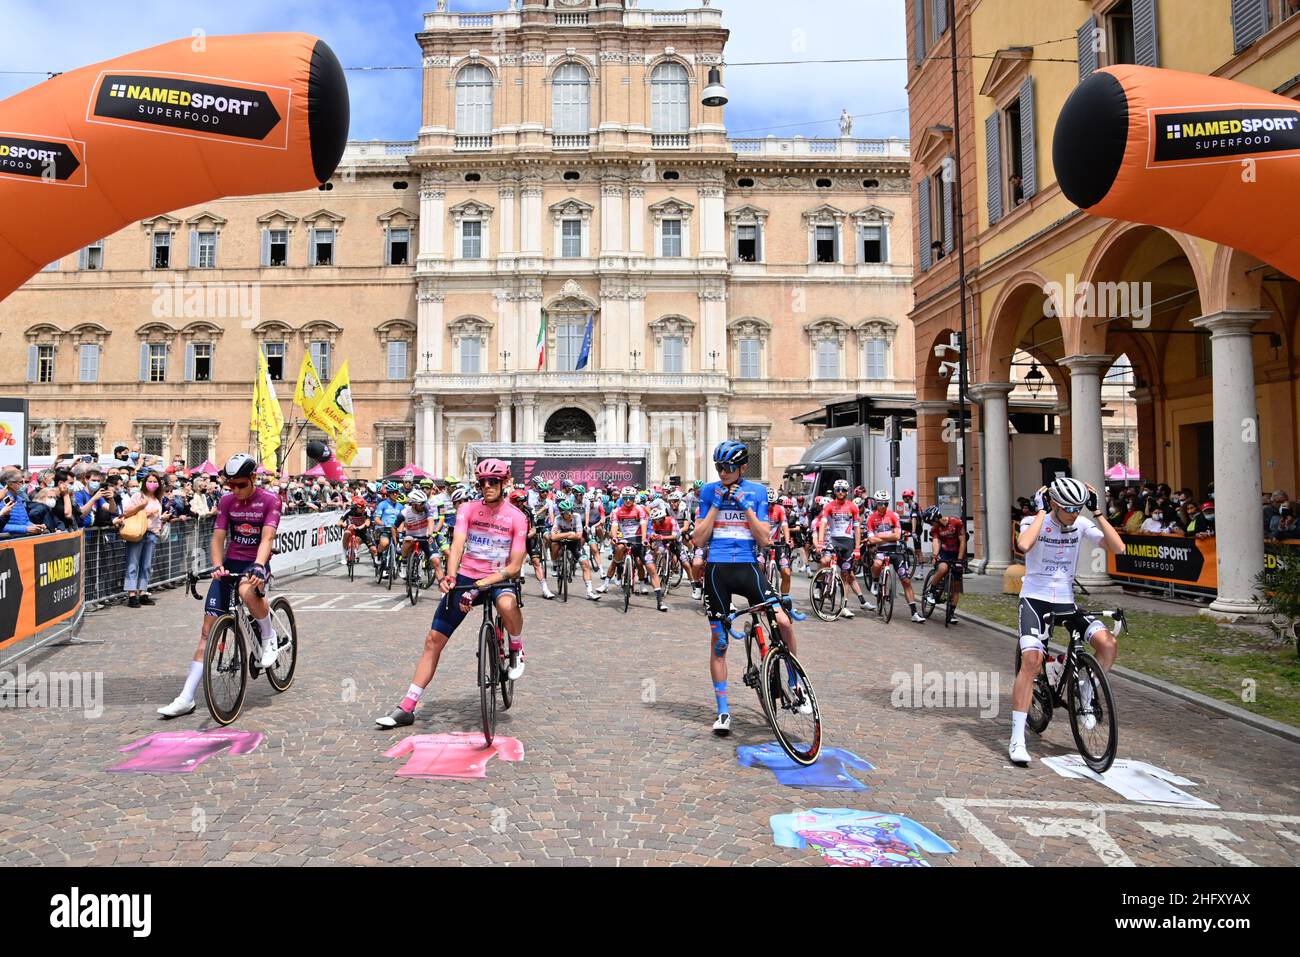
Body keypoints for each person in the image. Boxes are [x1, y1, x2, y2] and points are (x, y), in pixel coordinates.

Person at [375, 459, 527, 729]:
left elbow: (515, 566)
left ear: (504, 483)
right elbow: (457, 545)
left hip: (498, 576)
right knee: (433, 640)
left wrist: (488, 581)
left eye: (493, 482)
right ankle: (407, 707)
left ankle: (515, 645)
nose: (487, 486)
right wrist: (450, 575)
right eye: (482, 482)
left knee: (506, 603)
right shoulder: (468, 509)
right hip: (468, 575)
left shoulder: (517, 517)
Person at [693, 441, 808, 737]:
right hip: (718, 570)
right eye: (719, 467)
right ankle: (722, 711)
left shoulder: (756, 492)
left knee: (783, 621)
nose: (723, 472)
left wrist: (746, 508)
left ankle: (796, 683)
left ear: (743, 467)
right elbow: (698, 539)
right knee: (719, 644)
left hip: (747, 567)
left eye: (728, 467)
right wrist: (717, 504)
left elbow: (764, 539)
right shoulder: (708, 491)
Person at [1009, 476, 1125, 767]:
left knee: (1108, 644)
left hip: (1066, 601)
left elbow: (1118, 548)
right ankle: (1017, 738)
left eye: (1079, 509)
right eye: (1069, 509)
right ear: (1053, 504)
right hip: (1035, 600)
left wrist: (1097, 512)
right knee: (1032, 660)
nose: (1074, 515)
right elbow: (1024, 544)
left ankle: (1084, 690)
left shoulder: (1082, 523)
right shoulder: (1034, 522)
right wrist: (1038, 512)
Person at [157, 453, 284, 718]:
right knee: (207, 632)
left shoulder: (271, 500)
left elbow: (267, 538)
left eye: (240, 485)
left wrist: (260, 565)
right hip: (231, 563)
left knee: (245, 590)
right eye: (230, 485)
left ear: (253, 478)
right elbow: (218, 538)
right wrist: (217, 566)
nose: (235, 490)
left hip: (256, 563)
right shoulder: (227, 502)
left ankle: (268, 635)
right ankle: (186, 697)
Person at [865, 490, 925, 623]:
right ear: (876, 503)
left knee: (906, 580)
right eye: (881, 504)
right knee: (876, 564)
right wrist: (887, 537)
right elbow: (871, 541)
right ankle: (875, 582)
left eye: (886, 503)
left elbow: (897, 536)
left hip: (896, 550)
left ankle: (914, 612)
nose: (884, 506)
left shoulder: (893, 516)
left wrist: (879, 536)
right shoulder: (871, 518)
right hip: (881, 551)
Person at [817, 479, 872, 617]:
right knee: (824, 561)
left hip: (848, 542)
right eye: (838, 490)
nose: (840, 492)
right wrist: (820, 542)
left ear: (847, 492)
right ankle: (819, 584)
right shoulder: (829, 506)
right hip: (834, 540)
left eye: (843, 490)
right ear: (835, 491)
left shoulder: (852, 507)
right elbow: (823, 524)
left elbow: (857, 529)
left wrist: (857, 548)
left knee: (846, 575)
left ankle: (844, 606)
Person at [113, 471, 166, 607]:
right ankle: (131, 594)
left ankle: (143, 592)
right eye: (150, 481)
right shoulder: (138, 496)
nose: (152, 484)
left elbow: (157, 517)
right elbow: (127, 512)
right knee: (133, 563)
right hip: (138, 532)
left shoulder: (157, 498)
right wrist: (143, 510)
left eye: (155, 482)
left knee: (147, 564)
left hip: (152, 533)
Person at [923, 506, 965, 624]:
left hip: (957, 552)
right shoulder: (935, 529)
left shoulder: (956, 522)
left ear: (936, 518)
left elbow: (962, 541)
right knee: (943, 568)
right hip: (945, 552)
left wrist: (960, 559)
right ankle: (932, 590)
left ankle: (951, 613)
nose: (931, 525)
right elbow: (936, 542)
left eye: (931, 522)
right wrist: (935, 555)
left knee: (956, 586)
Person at [551, 497, 599, 600]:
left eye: (571, 511)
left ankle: (589, 592)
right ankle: (555, 563)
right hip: (561, 542)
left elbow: (578, 536)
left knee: (585, 564)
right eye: (567, 513)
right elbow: (553, 537)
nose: (570, 514)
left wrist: (562, 535)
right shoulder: (557, 519)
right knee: (554, 545)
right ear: (561, 513)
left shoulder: (577, 517)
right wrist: (569, 533)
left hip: (574, 544)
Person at [394, 488, 436, 580]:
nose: (423, 505)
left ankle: (429, 567)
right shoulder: (404, 513)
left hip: (425, 536)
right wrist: (396, 539)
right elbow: (394, 527)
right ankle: (404, 563)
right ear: (413, 504)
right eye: (421, 504)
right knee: (407, 539)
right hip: (411, 536)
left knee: (434, 558)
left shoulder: (426, 507)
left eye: (424, 503)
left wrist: (430, 534)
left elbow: (431, 520)